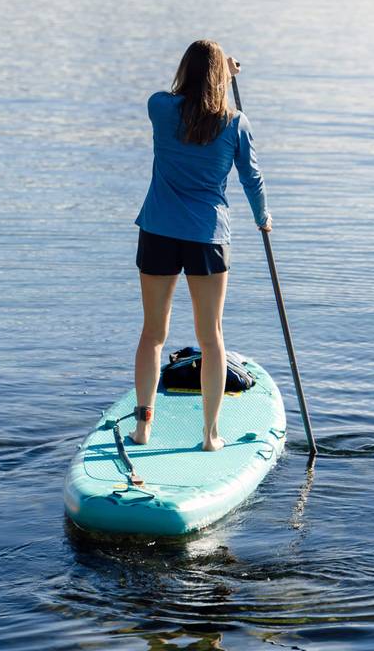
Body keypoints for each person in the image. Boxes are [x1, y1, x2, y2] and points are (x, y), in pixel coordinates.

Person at [130, 39, 272, 452]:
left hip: (158, 231)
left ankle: (143, 428)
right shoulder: (234, 123)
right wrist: (263, 219)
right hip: (208, 237)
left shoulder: (159, 107)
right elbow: (252, 179)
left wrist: (218, 71)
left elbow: (175, 98)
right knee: (211, 338)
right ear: (220, 78)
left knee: (153, 334)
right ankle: (210, 436)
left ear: (184, 71)